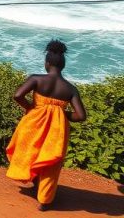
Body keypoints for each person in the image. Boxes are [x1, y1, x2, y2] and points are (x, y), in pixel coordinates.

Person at [6, 40, 87, 211]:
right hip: (57, 130)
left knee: (30, 152)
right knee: (51, 163)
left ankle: (31, 179)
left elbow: (17, 95)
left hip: (33, 123)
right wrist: (59, 113)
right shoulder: (71, 89)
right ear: (63, 66)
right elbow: (81, 116)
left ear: (47, 63)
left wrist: (31, 108)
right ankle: (44, 200)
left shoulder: (36, 79)